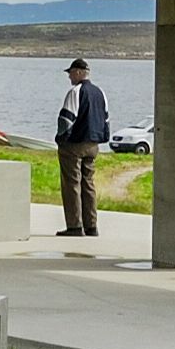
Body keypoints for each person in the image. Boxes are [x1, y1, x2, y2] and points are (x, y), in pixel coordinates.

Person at [51, 56, 109, 236]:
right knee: (88, 183)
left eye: (70, 73)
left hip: (74, 145)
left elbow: (66, 120)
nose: (69, 77)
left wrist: (61, 139)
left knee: (71, 184)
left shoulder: (75, 92)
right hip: (93, 145)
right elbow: (105, 120)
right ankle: (91, 225)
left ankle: (75, 226)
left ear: (78, 73)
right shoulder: (100, 93)